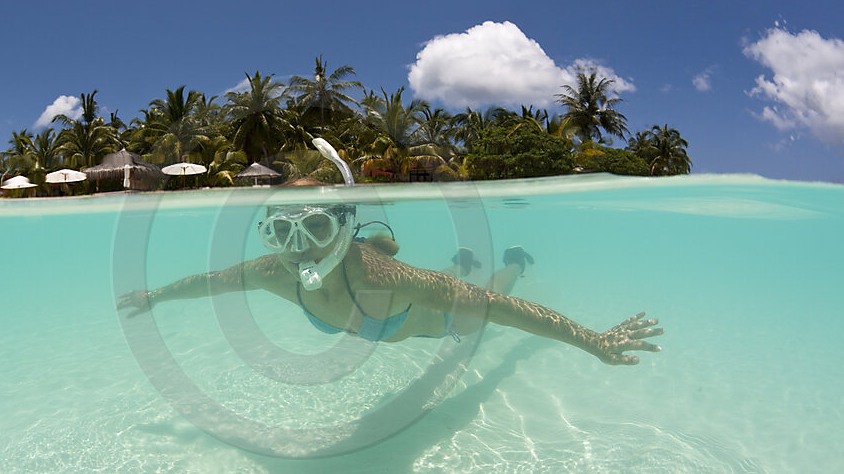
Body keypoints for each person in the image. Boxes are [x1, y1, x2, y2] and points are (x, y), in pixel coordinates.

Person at [118, 140, 663, 365]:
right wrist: (153, 295)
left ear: (340, 226)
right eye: (280, 232)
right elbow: (209, 281)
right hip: (394, 305)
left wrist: (593, 342)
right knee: (451, 278)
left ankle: (515, 258)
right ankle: (463, 261)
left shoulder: (377, 271)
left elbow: (494, 308)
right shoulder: (271, 271)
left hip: (439, 321)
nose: (296, 249)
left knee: (483, 301)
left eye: (310, 228)